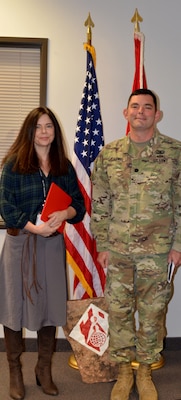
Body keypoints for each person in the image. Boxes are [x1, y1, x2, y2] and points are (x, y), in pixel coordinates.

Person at [90, 88, 181, 400]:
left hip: (158, 253)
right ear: (125, 113)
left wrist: (178, 245)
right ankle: (124, 371)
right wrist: (101, 244)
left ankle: (145, 370)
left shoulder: (175, 153)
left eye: (147, 107)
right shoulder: (109, 155)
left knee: (153, 313)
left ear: (157, 115)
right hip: (117, 251)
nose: (140, 112)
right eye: (135, 106)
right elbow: (99, 204)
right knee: (119, 312)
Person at [0, 106, 85, 400]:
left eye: (49, 126)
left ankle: (44, 369)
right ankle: (14, 371)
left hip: (51, 246)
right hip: (20, 243)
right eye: (38, 127)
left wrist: (64, 213)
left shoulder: (63, 166)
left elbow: (79, 205)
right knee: (14, 307)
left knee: (49, 306)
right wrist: (33, 228)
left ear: (54, 131)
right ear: (30, 131)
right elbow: (6, 206)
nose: (44, 132)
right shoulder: (13, 164)